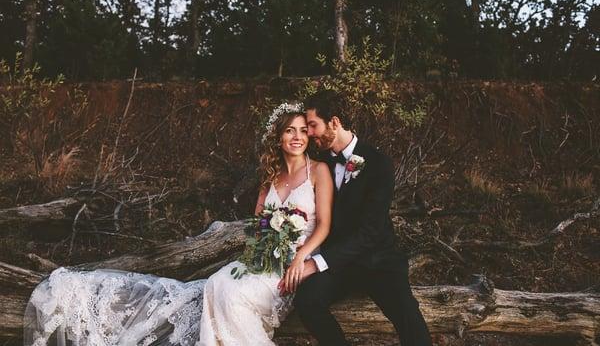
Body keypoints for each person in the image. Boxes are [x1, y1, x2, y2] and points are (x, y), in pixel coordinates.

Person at [23, 103, 333, 346]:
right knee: (215, 285)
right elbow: (257, 225)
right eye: (290, 130)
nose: (297, 137)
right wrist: (258, 250)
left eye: (304, 130)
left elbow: (324, 226)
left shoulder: (319, 171)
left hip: (295, 265)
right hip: (261, 259)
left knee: (232, 295)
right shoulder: (270, 178)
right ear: (278, 137)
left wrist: (300, 257)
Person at [287, 89, 432, 346]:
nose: (309, 133)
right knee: (307, 301)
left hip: (377, 259)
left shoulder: (378, 163)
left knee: (409, 318)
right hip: (340, 265)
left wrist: (316, 263)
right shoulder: (320, 164)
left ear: (334, 122)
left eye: (312, 125)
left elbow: (371, 232)